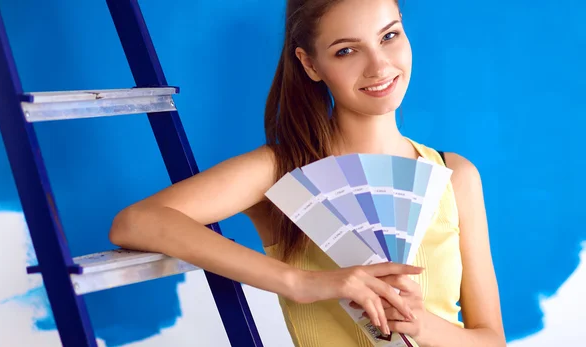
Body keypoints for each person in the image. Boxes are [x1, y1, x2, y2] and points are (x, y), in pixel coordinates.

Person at [108, 0, 506, 346]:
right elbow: (136, 222)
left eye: (389, 36)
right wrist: (302, 284)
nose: (379, 65)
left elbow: (491, 340)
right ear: (310, 64)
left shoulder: (455, 174)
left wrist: (423, 327)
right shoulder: (283, 171)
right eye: (347, 50)